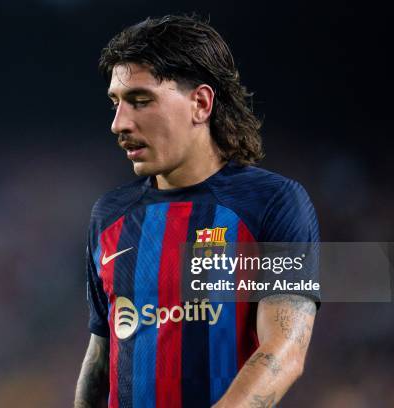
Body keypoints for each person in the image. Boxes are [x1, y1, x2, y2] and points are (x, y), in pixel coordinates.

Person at [74, 15, 319, 408]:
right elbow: (100, 359)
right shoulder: (109, 217)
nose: (118, 123)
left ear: (201, 103)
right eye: (116, 103)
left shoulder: (271, 203)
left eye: (140, 100)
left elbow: (284, 350)